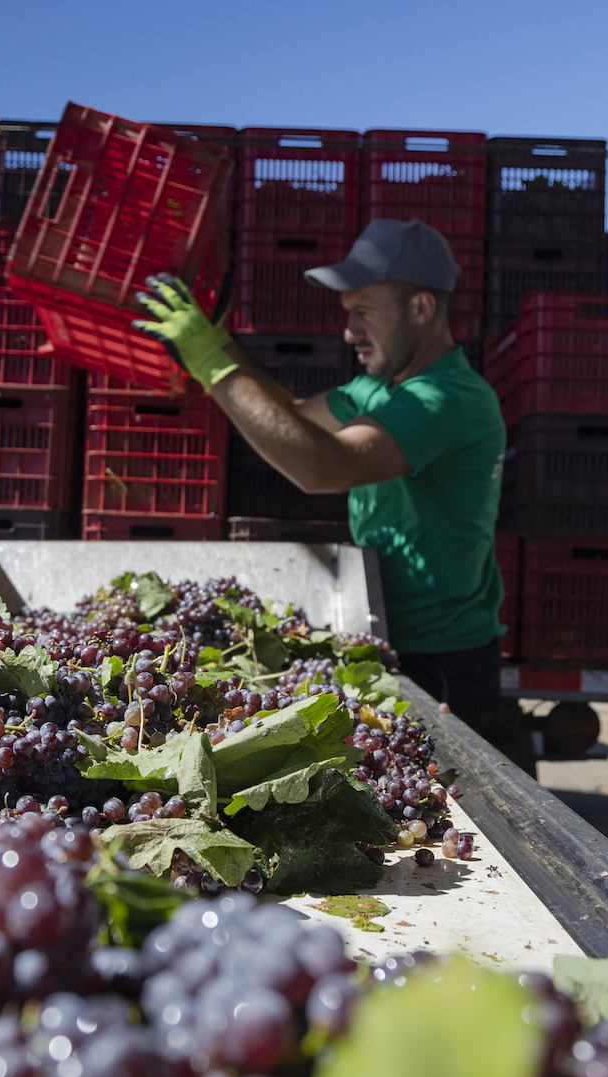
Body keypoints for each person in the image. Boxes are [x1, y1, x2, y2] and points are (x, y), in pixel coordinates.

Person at [133, 217, 513, 744]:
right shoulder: (378, 390)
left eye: (363, 313)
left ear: (421, 308)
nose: (349, 331)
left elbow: (324, 467)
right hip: (387, 637)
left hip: (443, 661)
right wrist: (221, 346)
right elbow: (291, 414)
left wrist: (211, 365)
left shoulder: (448, 399)